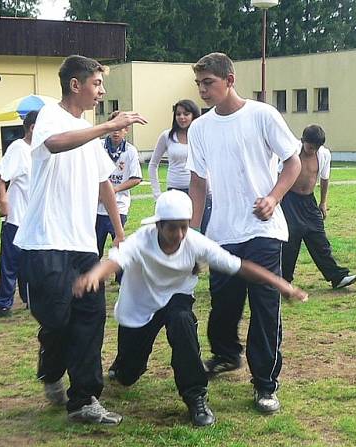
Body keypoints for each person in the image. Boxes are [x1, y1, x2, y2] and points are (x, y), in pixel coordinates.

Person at [73, 191, 308, 427]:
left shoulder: (195, 242)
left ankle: (196, 397)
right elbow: (115, 260)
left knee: (183, 322)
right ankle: (124, 367)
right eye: (172, 228)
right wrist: (93, 276)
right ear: (159, 226)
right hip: (141, 306)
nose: (179, 234)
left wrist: (282, 285)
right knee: (126, 376)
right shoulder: (142, 240)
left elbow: (240, 267)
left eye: (184, 227)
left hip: (176, 298)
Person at [13, 55, 146, 425]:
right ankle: (51, 366)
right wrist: (107, 127)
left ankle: (84, 399)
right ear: (76, 85)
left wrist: (119, 234)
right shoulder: (51, 118)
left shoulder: (90, 132)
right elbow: (55, 144)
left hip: (85, 244)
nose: (102, 91)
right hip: (46, 241)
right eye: (97, 84)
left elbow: (105, 183)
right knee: (57, 318)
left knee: (90, 318)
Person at [187, 52, 301, 414]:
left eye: (209, 83)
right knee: (224, 305)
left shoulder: (262, 115)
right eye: (199, 84)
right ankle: (226, 354)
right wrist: (192, 233)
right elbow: (197, 183)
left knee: (265, 308)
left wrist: (273, 197)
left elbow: (293, 161)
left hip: (263, 229)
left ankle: (265, 384)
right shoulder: (200, 129)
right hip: (223, 232)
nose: (203, 91)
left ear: (230, 80)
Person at [280, 125, 356, 289]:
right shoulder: (291, 152)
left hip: (309, 201)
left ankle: (337, 277)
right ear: (302, 142)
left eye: (316, 147)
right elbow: (279, 174)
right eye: (309, 147)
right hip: (289, 200)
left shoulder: (323, 155)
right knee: (290, 240)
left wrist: (323, 202)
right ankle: (283, 281)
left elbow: (324, 178)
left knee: (319, 239)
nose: (312, 150)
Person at [0, 110, 37, 317]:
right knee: (11, 261)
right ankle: (3, 302)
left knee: (31, 263)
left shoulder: (43, 150)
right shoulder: (18, 149)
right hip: (17, 216)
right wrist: (4, 198)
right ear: (33, 128)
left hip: (33, 219)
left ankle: (31, 299)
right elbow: (0, 174)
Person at [148, 99, 211, 232]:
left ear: (194, 115)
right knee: (176, 235)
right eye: (178, 114)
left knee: (202, 233)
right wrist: (157, 194)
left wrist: (211, 190)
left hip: (200, 192)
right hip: (175, 191)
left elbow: (210, 164)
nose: (182, 117)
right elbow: (153, 165)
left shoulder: (202, 135)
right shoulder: (167, 136)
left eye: (186, 114)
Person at [96, 110, 143, 276]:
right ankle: (94, 276)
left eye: (120, 127)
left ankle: (122, 278)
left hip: (119, 205)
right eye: (113, 127)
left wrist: (113, 190)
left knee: (119, 243)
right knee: (95, 246)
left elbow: (136, 178)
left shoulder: (130, 151)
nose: (116, 131)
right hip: (97, 207)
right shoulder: (98, 146)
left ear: (126, 130)